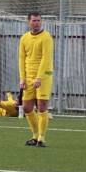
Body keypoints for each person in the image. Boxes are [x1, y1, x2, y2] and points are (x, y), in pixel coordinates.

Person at [19, 12, 53, 147]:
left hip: (44, 76)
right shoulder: (24, 38)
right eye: (34, 21)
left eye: (39, 20)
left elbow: (46, 58)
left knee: (42, 106)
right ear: (29, 22)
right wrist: (22, 78)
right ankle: (34, 135)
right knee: (27, 107)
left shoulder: (46, 37)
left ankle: (41, 138)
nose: (36, 23)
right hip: (28, 76)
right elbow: (21, 58)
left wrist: (39, 77)